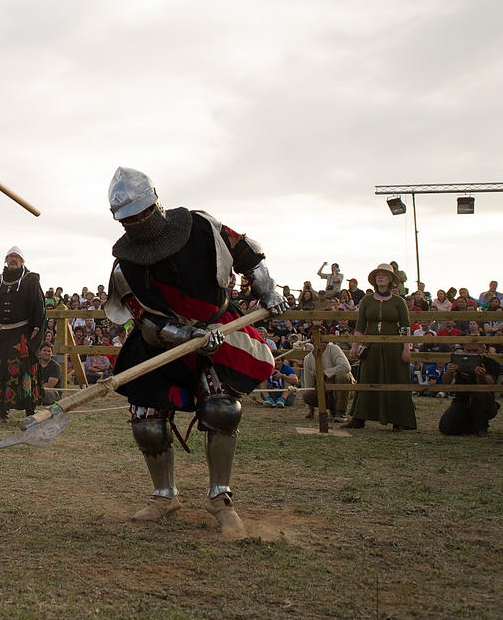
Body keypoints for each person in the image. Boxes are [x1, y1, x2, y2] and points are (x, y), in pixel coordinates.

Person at [102, 167, 286, 540]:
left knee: (221, 409)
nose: (137, 222)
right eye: (129, 220)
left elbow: (247, 251)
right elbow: (142, 317)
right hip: (164, 340)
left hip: (220, 326)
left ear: (155, 204)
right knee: (147, 422)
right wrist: (183, 334)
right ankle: (164, 495)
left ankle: (220, 497)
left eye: (142, 214)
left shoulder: (202, 227)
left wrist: (267, 288)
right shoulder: (126, 266)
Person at [343, 263, 415, 430]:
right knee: (367, 378)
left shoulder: (399, 302)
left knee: (396, 379)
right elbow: (360, 325)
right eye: (378, 275)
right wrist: (355, 346)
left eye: (384, 275)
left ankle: (400, 420)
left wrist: (406, 348)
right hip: (372, 345)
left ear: (390, 279)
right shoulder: (367, 300)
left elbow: (405, 326)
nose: (380, 277)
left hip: (393, 346)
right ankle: (359, 418)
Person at [0, 247, 46, 421]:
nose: (13, 259)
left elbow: (39, 305)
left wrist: (37, 328)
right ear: (6, 260)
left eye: (16, 257)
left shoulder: (31, 279)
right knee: (0, 371)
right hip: (2, 334)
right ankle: (2, 412)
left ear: (22, 260)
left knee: (24, 370)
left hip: (22, 333)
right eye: (10, 256)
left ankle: (29, 411)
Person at [437, 349, 501, 436]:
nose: (471, 354)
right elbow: (445, 382)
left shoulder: (491, 363)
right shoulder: (459, 361)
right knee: (446, 428)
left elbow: (489, 383)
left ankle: (482, 426)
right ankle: (472, 426)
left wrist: (481, 376)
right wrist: (449, 372)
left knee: (480, 393)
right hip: (462, 401)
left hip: (484, 402)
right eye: (468, 350)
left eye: (474, 351)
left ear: (483, 349)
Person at [298, 337, 354, 419]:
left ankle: (341, 411)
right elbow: (308, 384)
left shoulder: (334, 349)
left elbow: (346, 367)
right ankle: (333, 408)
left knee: (342, 376)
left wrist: (325, 373)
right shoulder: (308, 359)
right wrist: (310, 409)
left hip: (342, 385)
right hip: (324, 387)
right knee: (308, 396)